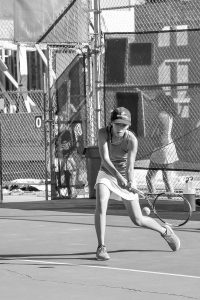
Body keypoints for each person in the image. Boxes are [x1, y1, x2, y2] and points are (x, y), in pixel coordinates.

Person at [94, 107, 180, 261]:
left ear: (128, 126)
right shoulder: (103, 133)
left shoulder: (131, 140)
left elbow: (130, 166)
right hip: (106, 173)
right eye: (117, 124)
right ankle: (101, 247)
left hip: (124, 176)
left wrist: (130, 181)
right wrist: (119, 177)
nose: (120, 128)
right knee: (101, 203)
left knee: (138, 220)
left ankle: (165, 231)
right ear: (111, 123)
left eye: (124, 125)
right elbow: (105, 159)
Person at [146, 93, 179, 194]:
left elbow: (152, 133)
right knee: (167, 180)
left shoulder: (161, 115)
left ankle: (153, 202)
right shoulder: (169, 114)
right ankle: (171, 202)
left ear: (162, 103)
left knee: (149, 178)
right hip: (169, 148)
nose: (156, 104)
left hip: (161, 149)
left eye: (158, 102)